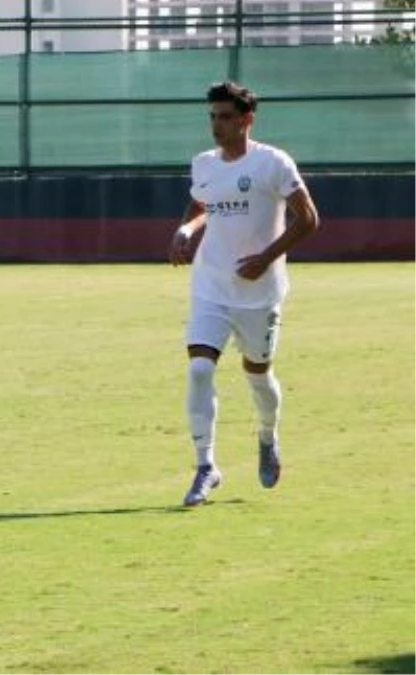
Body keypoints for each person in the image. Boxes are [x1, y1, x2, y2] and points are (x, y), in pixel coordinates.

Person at [169, 81, 320, 507]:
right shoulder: (203, 164)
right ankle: (205, 466)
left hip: (259, 294)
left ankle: (267, 437)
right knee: (199, 369)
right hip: (211, 286)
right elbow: (201, 205)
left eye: (226, 116)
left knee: (258, 376)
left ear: (246, 120)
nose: (217, 125)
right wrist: (184, 230)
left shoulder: (273, 163)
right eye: (213, 116)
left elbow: (308, 219)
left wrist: (266, 257)